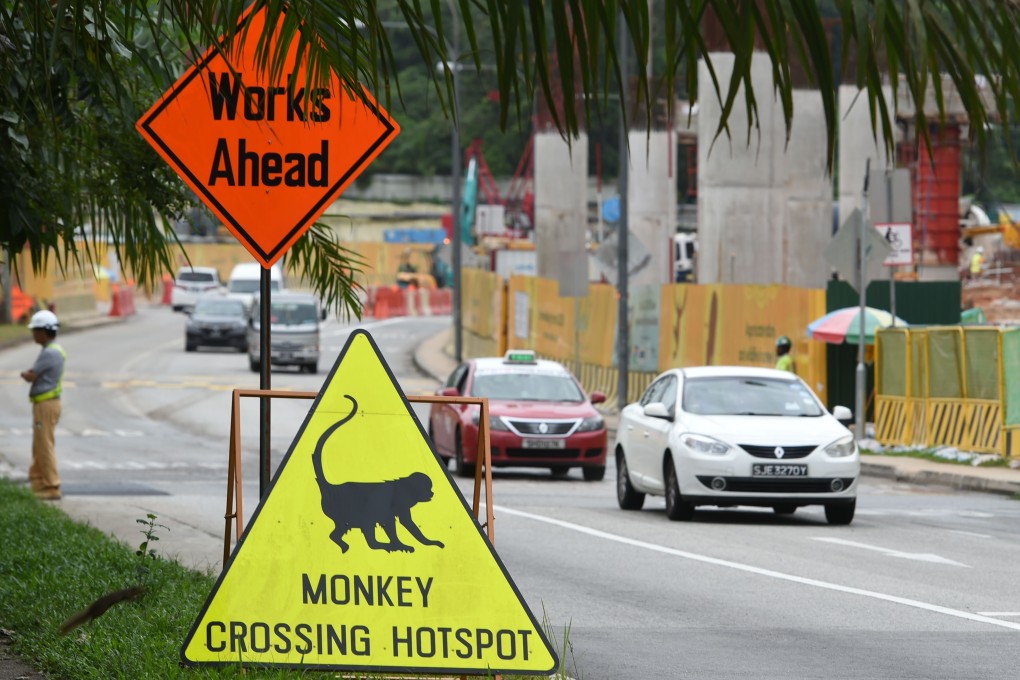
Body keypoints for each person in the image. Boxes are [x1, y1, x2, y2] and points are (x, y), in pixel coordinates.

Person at [19, 310, 66, 501]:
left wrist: (26, 375)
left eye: (36, 331)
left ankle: (51, 485)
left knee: (44, 446)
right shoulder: (51, 350)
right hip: (45, 403)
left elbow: (32, 375)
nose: (33, 335)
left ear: (45, 331)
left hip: (46, 404)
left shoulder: (50, 352)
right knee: (39, 445)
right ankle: (38, 481)